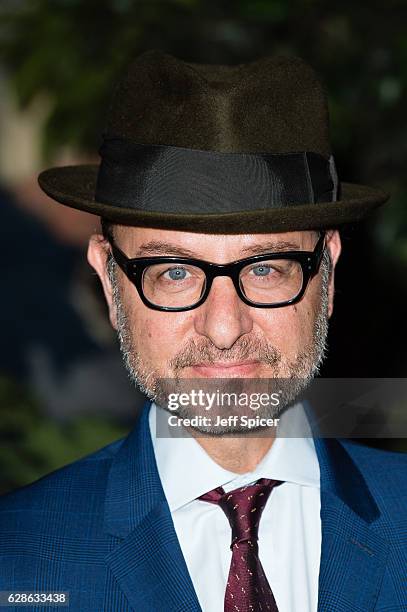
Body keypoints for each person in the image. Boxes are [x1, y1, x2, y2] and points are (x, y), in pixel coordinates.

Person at [0, 50, 406, 612]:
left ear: (328, 273)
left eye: (264, 269)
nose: (222, 327)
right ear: (108, 279)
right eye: (173, 272)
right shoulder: (16, 558)